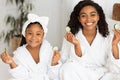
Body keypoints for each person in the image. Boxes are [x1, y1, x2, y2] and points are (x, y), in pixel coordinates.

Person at [60, 0, 120, 80]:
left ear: (98, 16)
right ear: (79, 18)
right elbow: (65, 61)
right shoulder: (70, 37)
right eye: (84, 16)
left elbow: (115, 68)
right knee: (67, 68)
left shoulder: (109, 37)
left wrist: (114, 45)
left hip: (102, 75)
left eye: (92, 15)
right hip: (80, 74)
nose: (88, 19)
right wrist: (76, 45)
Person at [0, 13, 61, 80]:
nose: (34, 37)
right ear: (25, 34)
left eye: (38, 34)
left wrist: (54, 63)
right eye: (30, 33)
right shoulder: (20, 54)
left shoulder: (48, 51)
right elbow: (20, 76)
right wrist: (11, 62)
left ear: (43, 36)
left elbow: (53, 77)